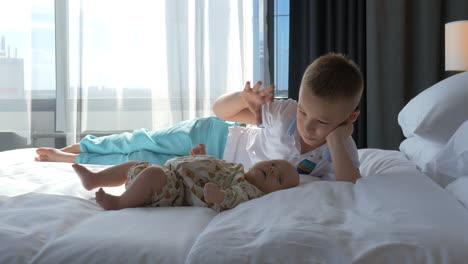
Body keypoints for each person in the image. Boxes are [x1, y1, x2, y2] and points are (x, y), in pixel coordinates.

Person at [37, 53, 363, 183]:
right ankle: (79, 148)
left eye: (322, 122)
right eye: (304, 111)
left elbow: (350, 185)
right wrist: (244, 99)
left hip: (210, 162)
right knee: (141, 139)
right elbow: (220, 111)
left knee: (143, 159)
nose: (307, 126)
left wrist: (336, 137)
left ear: (350, 117)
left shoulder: (341, 148)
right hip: (212, 134)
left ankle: (76, 159)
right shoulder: (284, 113)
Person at [73, 144, 299, 211]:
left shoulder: (250, 190)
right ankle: (95, 179)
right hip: (171, 173)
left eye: (278, 179)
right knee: (133, 165)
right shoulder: (236, 168)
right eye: (273, 164)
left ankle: (120, 202)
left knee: (152, 174)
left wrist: (219, 196)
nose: (271, 170)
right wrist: (200, 158)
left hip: (175, 189)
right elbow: (213, 168)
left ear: (273, 194)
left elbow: (234, 199)